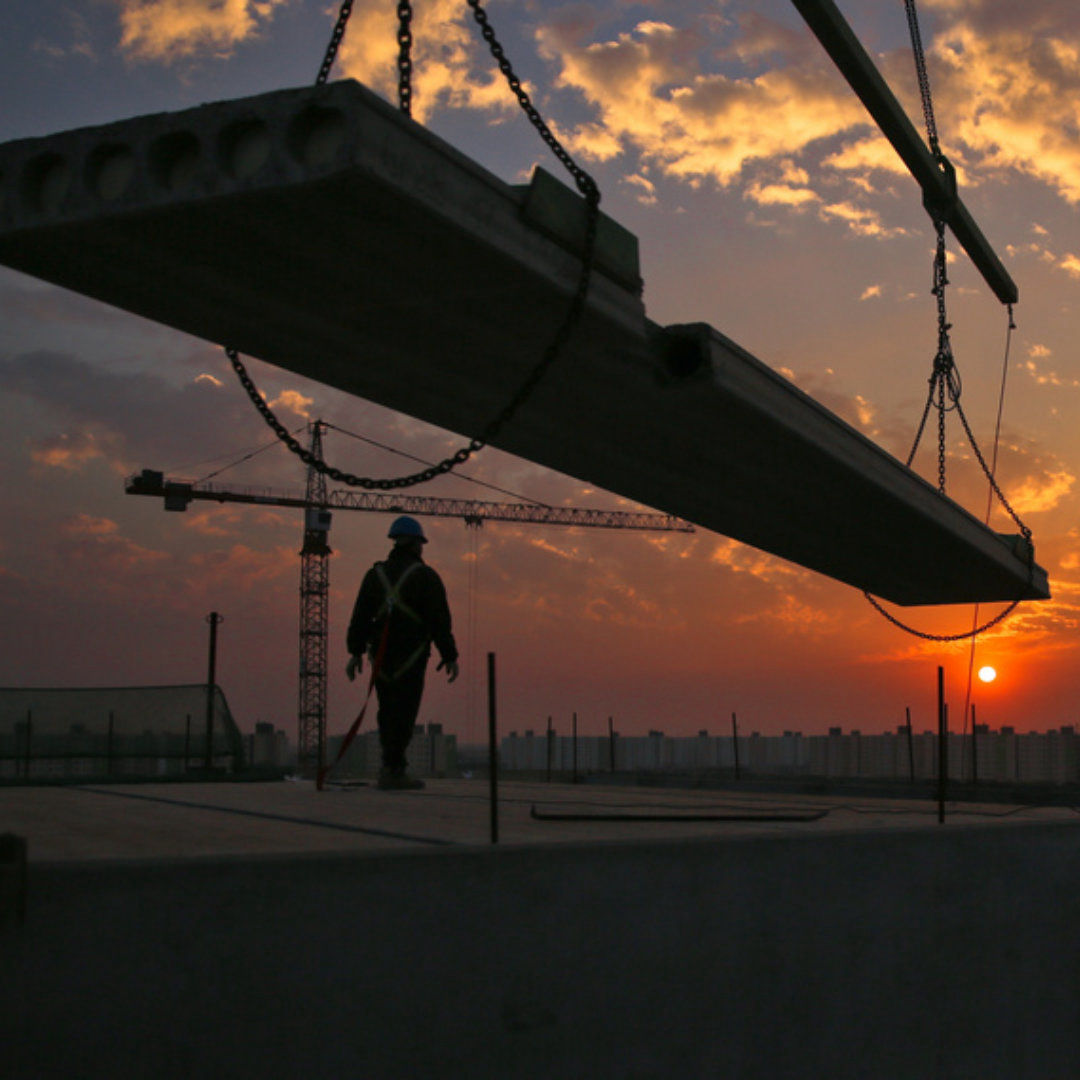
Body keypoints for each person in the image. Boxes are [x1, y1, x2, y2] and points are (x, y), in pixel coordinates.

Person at [345, 515, 459, 789]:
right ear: (418, 545)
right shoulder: (426, 577)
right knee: (405, 712)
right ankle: (395, 769)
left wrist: (355, 652)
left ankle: (390, 766)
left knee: (387, 712)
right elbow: (439, 620)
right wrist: (449, 654)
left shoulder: (375, 576)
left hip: (382, 658)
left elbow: (360, 616)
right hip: (412, 656)